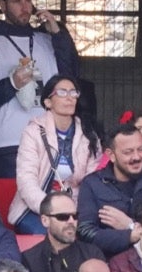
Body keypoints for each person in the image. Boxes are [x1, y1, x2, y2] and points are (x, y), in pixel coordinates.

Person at [0, 0, 79, 179]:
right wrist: (12, 84)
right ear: (3, 5)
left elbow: (72, 75)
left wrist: (58, 33)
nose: (25, 7)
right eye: (17, 2)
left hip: (51, 139)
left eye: (28, 0)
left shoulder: (47, 40)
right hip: (7, 144)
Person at [75, 124, 142, 259]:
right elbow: (85, 232)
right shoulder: (92, 184)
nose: (136, 157)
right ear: (111, 155)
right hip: (109, 265)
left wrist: (130, 225)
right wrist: (130, 236)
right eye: (128, 152)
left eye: (141, 149)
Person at [13, 75, 99, 232]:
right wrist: (53, 209)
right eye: (62, 92)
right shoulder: (33, 132)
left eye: (73, 93)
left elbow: (93, 181)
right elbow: (26, 181)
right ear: (47, 102)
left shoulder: (88, 134)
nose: (69, 98)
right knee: (47, 234)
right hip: (38, 207)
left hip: (76, 208)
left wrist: (73, 210)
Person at [22, 190, 103, 272]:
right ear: (45, 221)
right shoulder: (30, 259)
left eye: (75, 216)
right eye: (63, 217)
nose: (71, 221)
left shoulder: (92, 254)